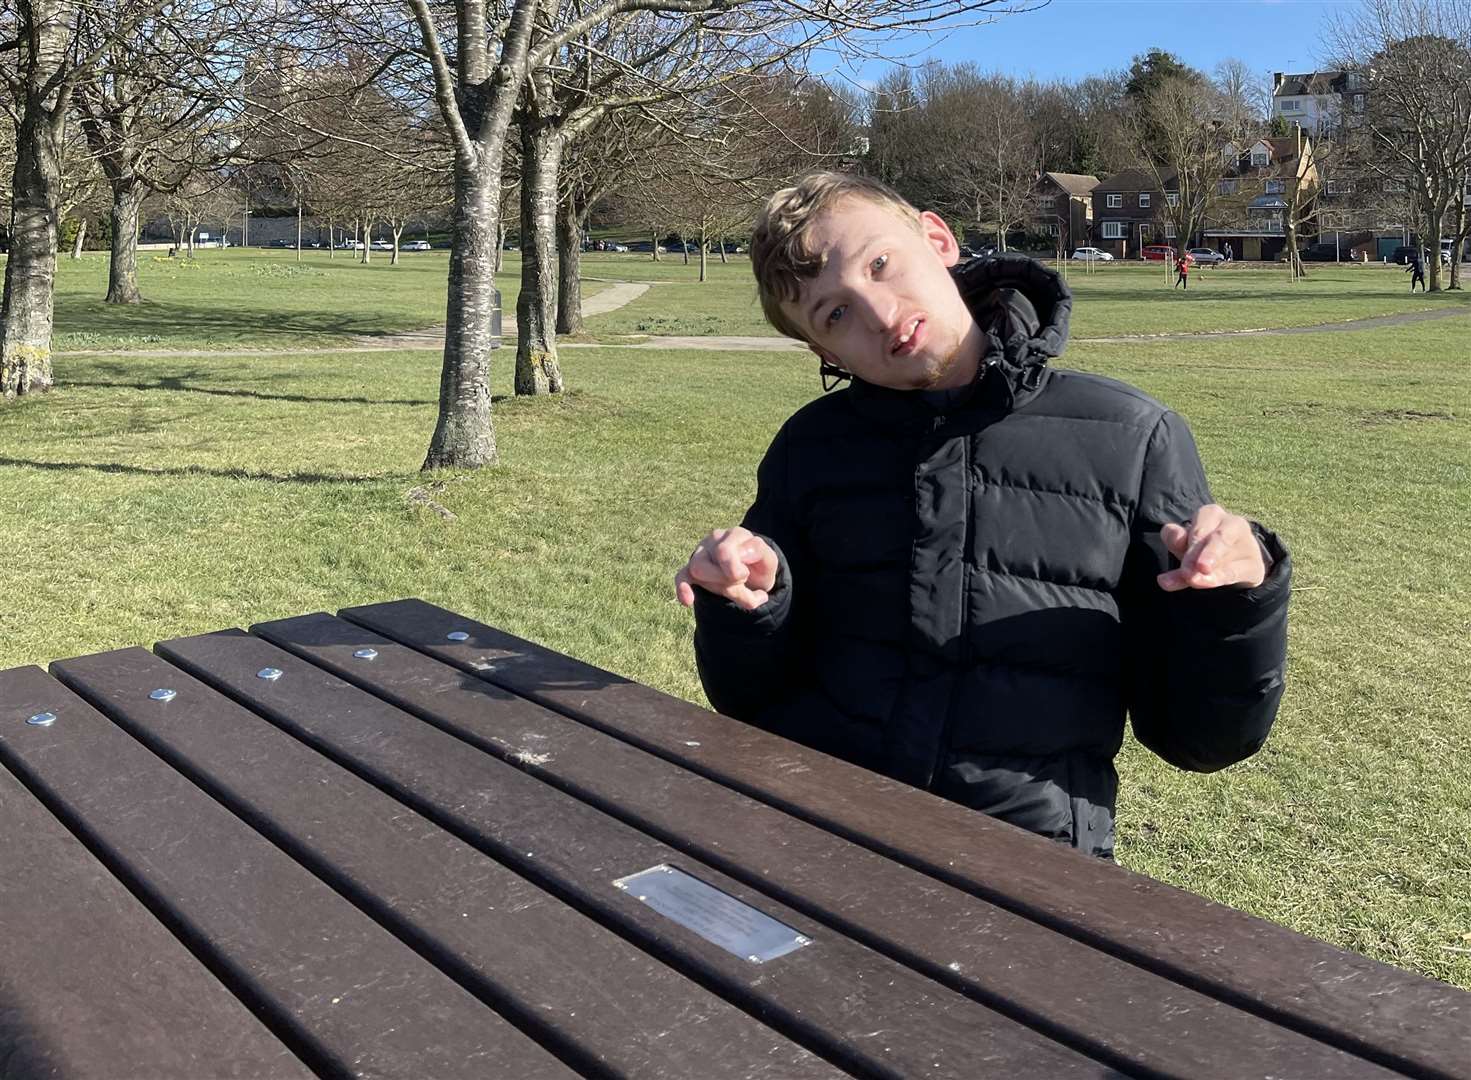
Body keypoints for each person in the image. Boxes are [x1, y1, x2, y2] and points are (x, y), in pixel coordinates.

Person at [675, 172, 1290, 859]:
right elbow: (747, 698)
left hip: (1028, 864)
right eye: (834, 314)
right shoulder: (808, 449)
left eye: (880, 264)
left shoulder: (1132, 437)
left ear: (937, 239)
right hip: (823, 840)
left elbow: (1203, 739)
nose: (877, 312)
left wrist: (1240, 599)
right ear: (823, 353)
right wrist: (744, 603)